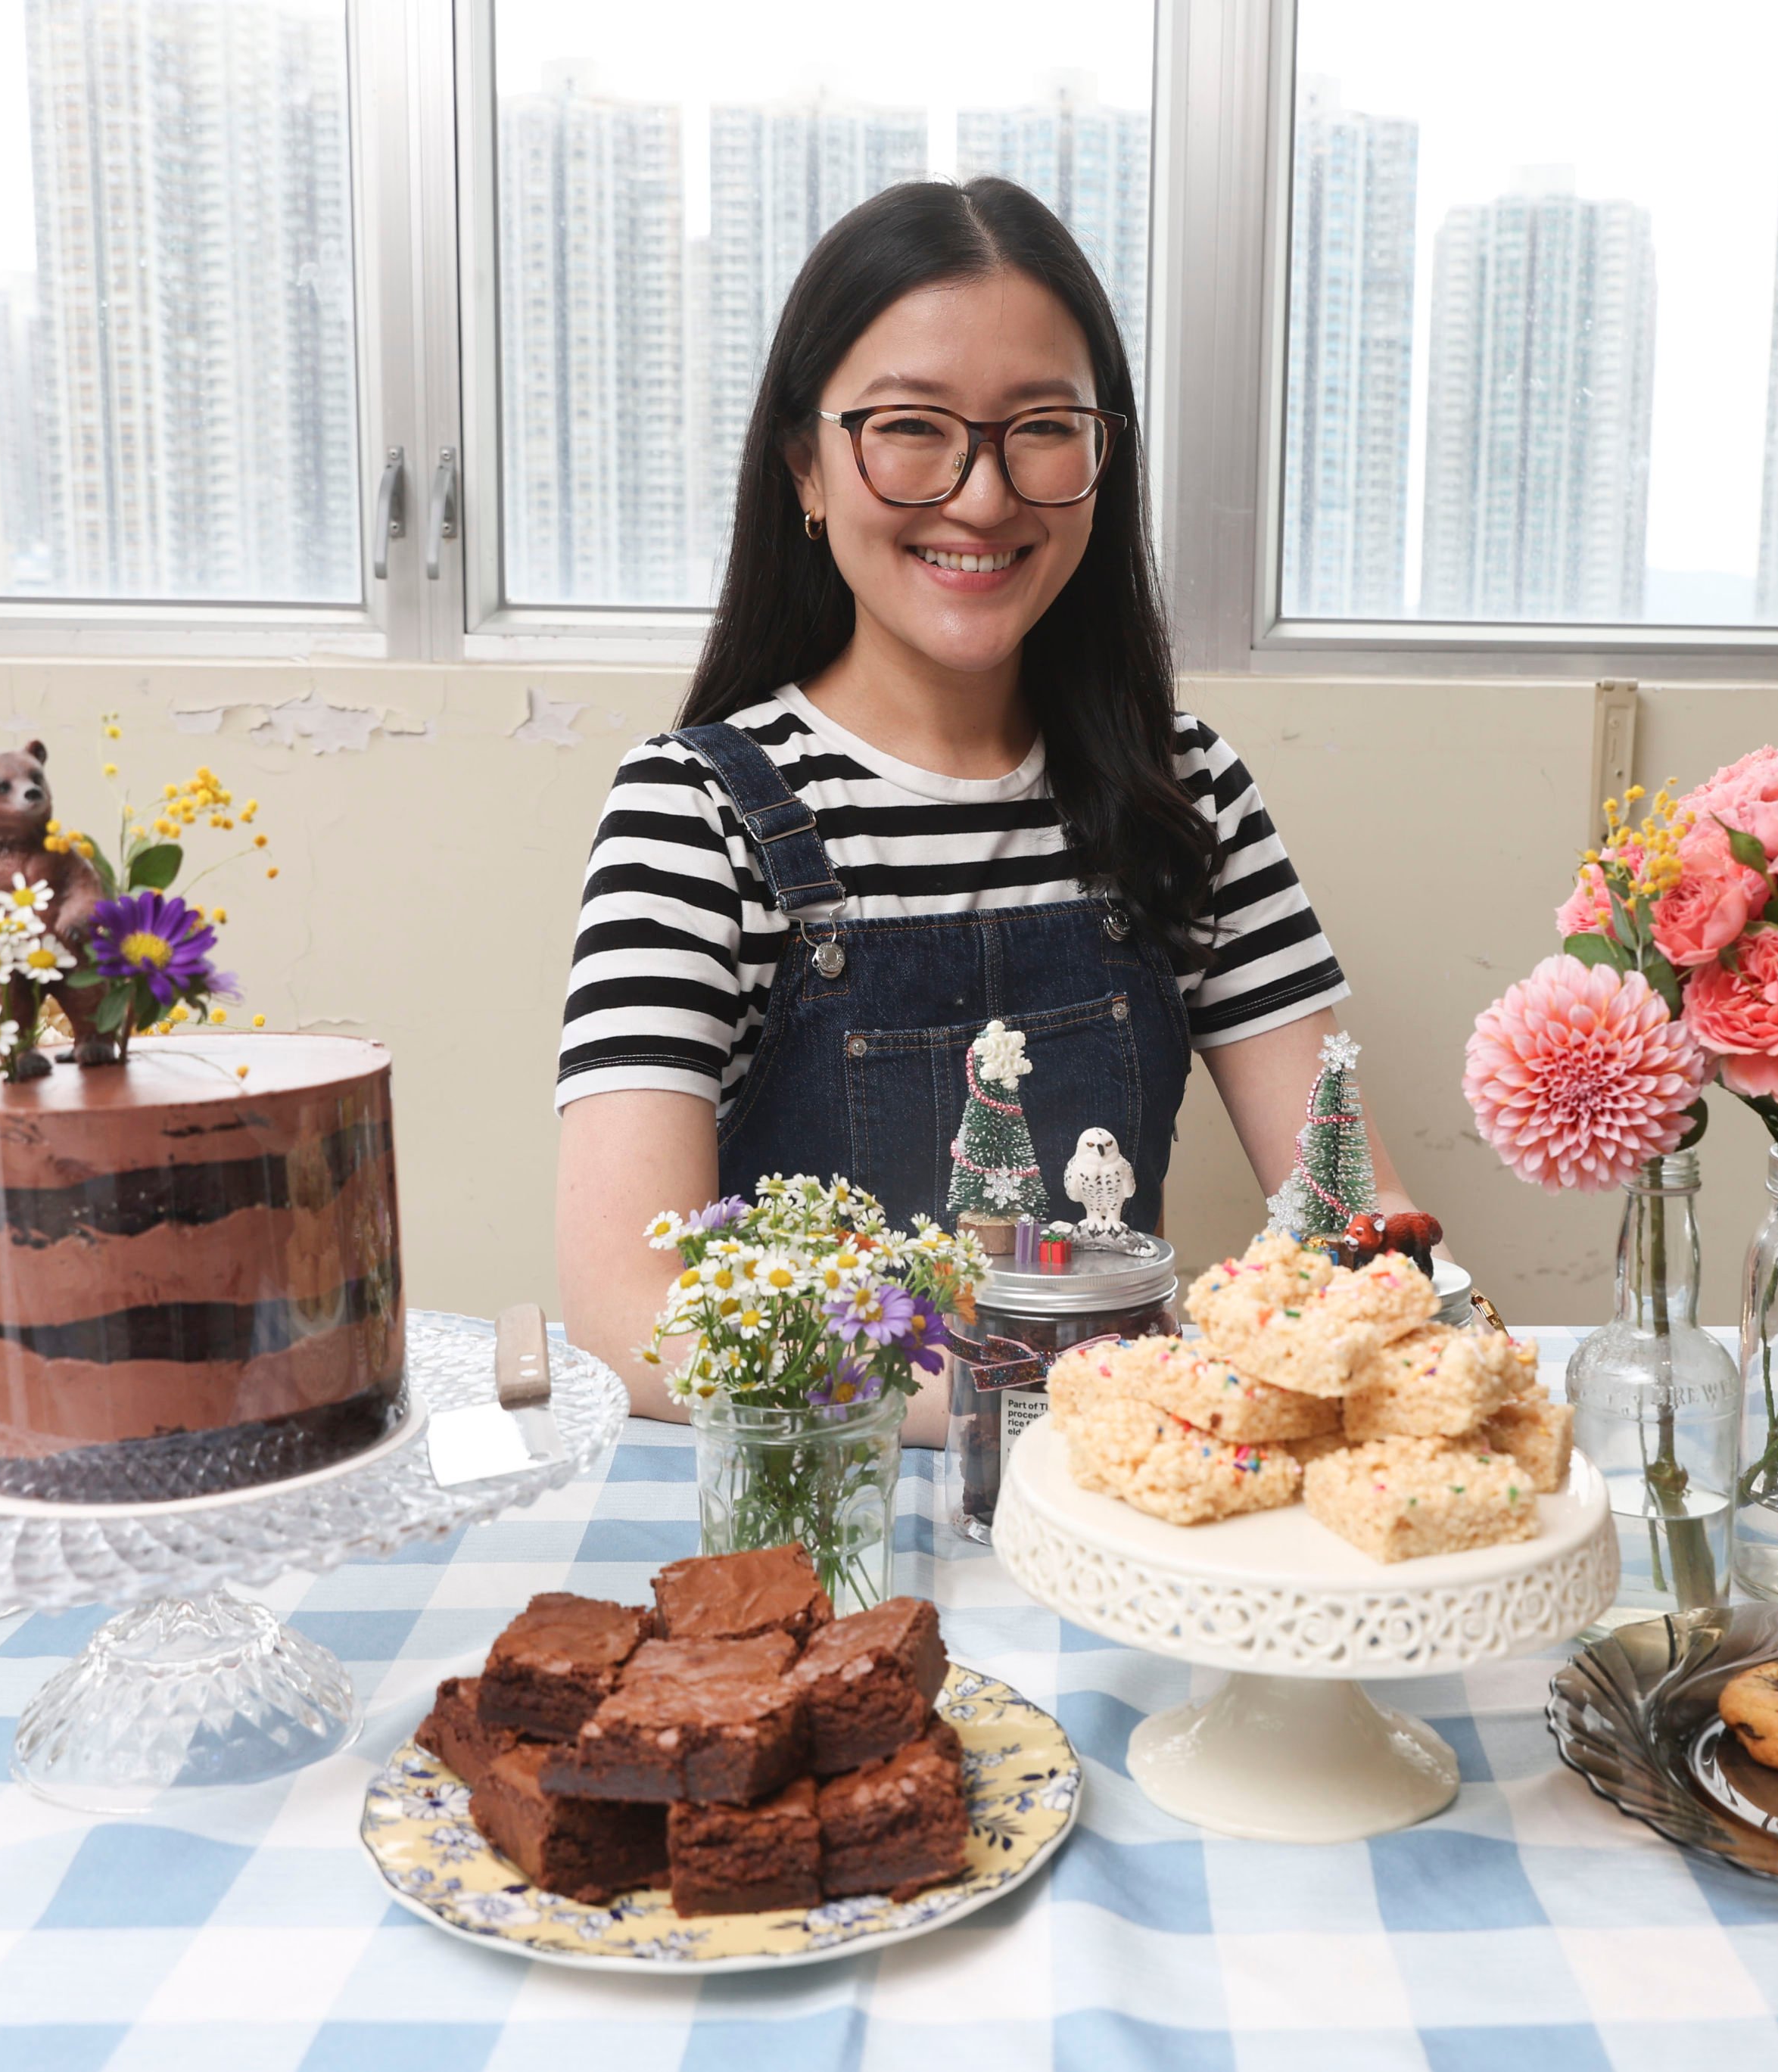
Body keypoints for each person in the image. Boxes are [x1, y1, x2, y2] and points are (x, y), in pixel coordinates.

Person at [553, 178, 1424, 1429]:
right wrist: (1059, 1391)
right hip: (834, 1531)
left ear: (1102, 453)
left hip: (1123, 1512)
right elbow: (630, 1309)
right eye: (912, 425)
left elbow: (1353, 1218)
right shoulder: (694, 815)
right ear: (806, 464)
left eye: (1041, 426)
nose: (981, 494)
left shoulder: (1188, 794)